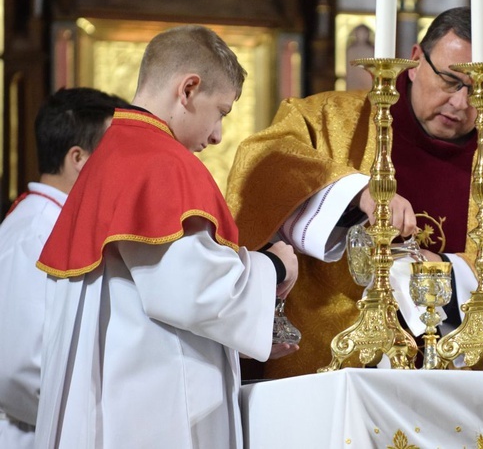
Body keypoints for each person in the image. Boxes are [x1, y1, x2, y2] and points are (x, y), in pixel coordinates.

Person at [226, 7, 483, 377]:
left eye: (481, 88)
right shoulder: (326, 119)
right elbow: (263, 166)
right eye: (451, 81)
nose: (461, 103)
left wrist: (443, 273)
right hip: (329, 373)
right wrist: (354, 194)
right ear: (417, 59)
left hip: (451, 388)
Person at [33, 25, 298, 449]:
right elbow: (196, 293)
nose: (217, 135)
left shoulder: (114, 154)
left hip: (117, 399)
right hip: (145, 413)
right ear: (188, 89)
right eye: (221, 112)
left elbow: (150, 299)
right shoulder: (159, 162)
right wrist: (275, 264)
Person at [0, 88, 129, 449]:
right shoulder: (37, 233)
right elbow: (18, 370)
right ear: (78, 158)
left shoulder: (51, 224)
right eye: (114, 157)